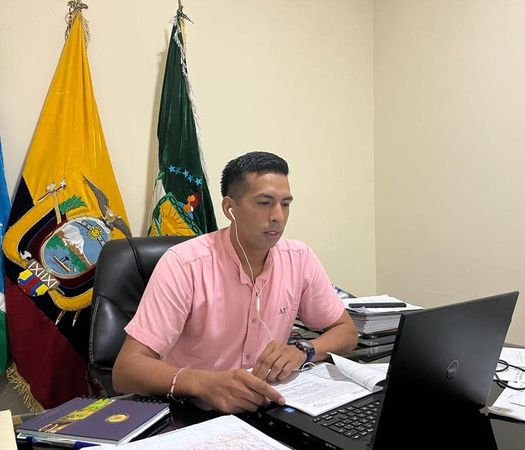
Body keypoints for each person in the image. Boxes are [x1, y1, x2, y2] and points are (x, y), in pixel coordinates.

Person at [112, 151, 358, 413]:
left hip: (270, 407)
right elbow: (126, 370)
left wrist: (304, 349)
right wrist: (204, 383)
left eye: (285, 204)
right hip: (195, 410)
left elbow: (346, 331)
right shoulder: (185, 264)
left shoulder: (299, 258)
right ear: (229, 208)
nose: (278, 216)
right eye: (264, 203)